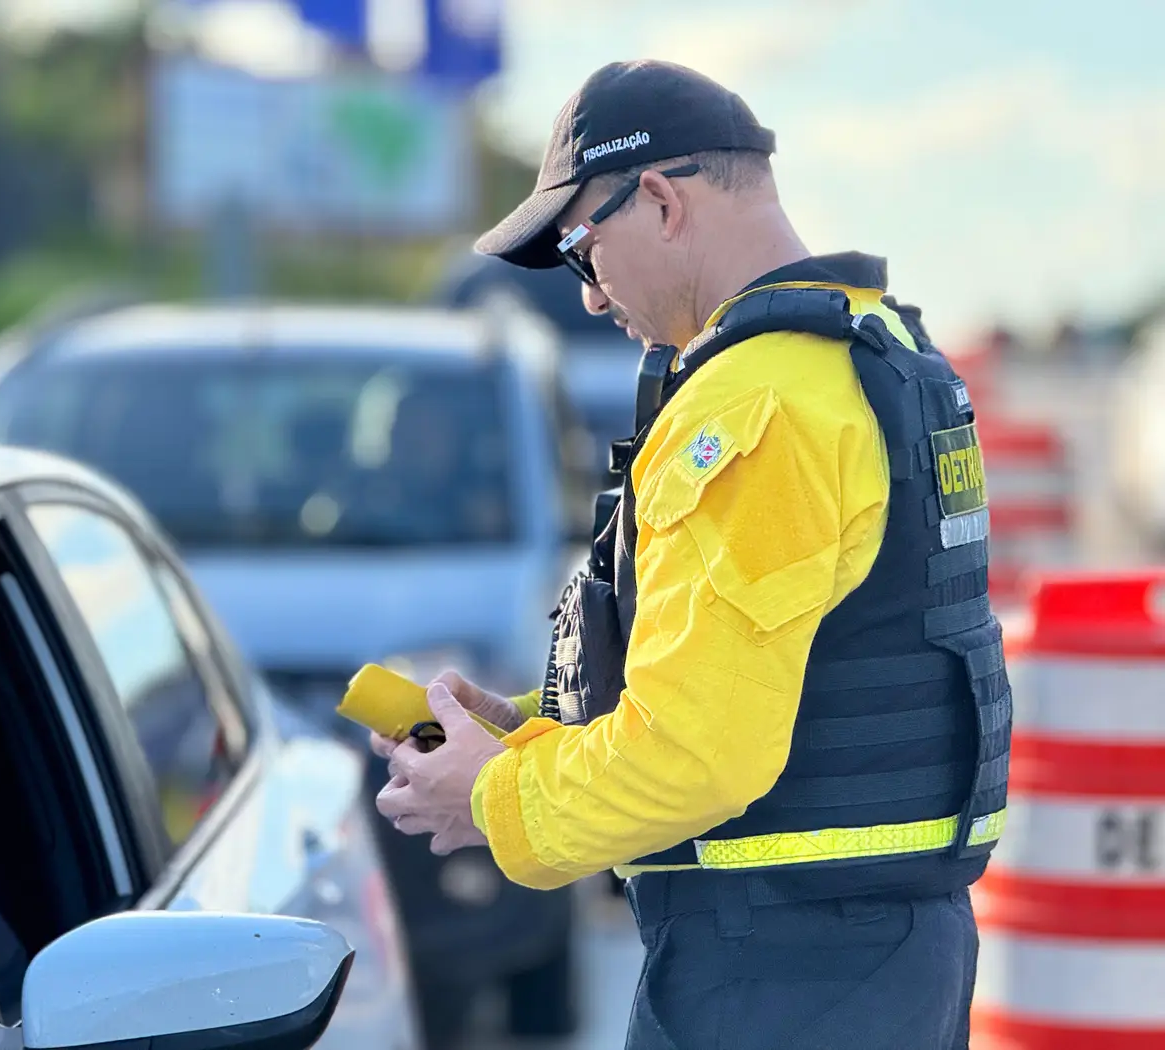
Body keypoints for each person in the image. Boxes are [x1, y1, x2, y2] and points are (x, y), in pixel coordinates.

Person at [370, 59, 1008, 1049]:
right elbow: (777, 671)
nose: (587, 297)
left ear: (660, 202)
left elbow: (697, 756)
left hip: (777, 979)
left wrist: (491, 797)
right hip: (862, 960)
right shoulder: (874, 350)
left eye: (581, 250)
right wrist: (539, 734)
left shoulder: (748, 407)